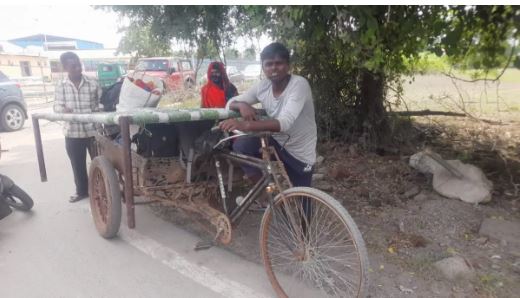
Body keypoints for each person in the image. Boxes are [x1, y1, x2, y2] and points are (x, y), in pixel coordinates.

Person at [219, 42, 317, 190]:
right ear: (263, 67)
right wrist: (242, 105)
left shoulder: (299, 85)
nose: (274, 68)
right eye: (269, 64)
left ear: (288, 65)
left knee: (302, 203)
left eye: (279, 63)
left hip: (300, 150)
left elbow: (284, 123)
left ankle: (283, 198)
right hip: (276, 143)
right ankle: (268, 192)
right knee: (241, 146)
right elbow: (230, 103)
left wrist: (244, 125)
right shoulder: (263, 86)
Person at [53, 52, 101, 203]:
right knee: (77, 165)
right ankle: (82, 192)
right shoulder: (61, 85)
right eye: (73, 66)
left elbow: (101, 103)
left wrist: (98, 109)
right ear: (65, 67)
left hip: (93, 132)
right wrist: (63, 110)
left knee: (99, 163)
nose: (78, 69)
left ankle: (102, 190)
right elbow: (56, 106)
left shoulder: (93, 83)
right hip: (72, 133)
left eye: (79, 65)